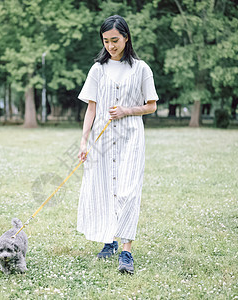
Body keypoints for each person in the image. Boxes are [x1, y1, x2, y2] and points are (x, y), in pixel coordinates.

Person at [77, 15, 159, 275]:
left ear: (126, 37)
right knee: (104, 189)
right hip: (102, 142)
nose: (111, 46)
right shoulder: (97, 70)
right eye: (106, 41)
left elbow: (151, 106)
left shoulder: (141, 69)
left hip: (131, 138)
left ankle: (127, 251)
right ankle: (108, 241)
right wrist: (84, 141)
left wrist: (126, 110)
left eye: (115, 40)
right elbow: (91, 108)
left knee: (128, 191)